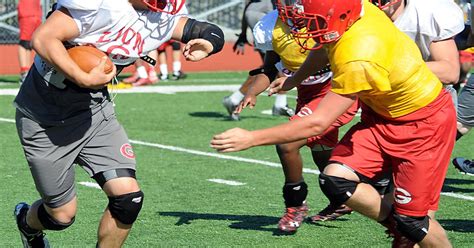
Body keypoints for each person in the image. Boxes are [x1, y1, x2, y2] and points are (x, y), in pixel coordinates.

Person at [211, 0, 455, 247]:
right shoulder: (359, 11)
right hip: (382, 114)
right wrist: (295, 78)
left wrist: (251, 138)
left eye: (315, 23)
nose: (307, 29)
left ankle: (406, 226)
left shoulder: (360, 57)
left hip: (422, 125)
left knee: (413, 223)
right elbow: (324, 46)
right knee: (336, 179)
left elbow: (317, 123)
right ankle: (399, 224)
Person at [13, 0, 224, 247]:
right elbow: (43, 38)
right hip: (43, 117)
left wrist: (207, 43)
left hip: (94, 112)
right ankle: (27, 224)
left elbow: (208, 31)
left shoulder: (160, 15)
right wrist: (81, 76)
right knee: (61, 216)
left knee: (128, 199)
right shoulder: (97, 4)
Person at [235, 8, 357, 232]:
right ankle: (344, 198)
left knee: (287, 142)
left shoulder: (327, 12)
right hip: (306, 92)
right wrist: (252, 92)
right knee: (321, 150)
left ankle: (295, 205)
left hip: (337, 89)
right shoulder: (270, 24)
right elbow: (271, 67)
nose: (297, 5)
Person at [223, 0, 294, 121]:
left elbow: (247, 5)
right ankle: (235, 99)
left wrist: (243, 32)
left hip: (259, 12)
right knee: (276, 64)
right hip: (268, 13)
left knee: (275, 64)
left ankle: (279, 103)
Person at [17, 0, 42, 84]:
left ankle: (27, 72)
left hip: (36, 13)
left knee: (30, 44)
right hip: (27, 13)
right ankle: (24, 72)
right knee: (24, 42)